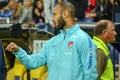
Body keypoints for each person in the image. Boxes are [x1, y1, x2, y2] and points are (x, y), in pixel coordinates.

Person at [6, 1, 98, 80]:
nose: (52, 19)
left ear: (65, 14)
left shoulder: (83, 39)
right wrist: (18, 51)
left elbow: (90, 74)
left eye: (54, 14)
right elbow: (33, 62)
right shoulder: (53, 41)